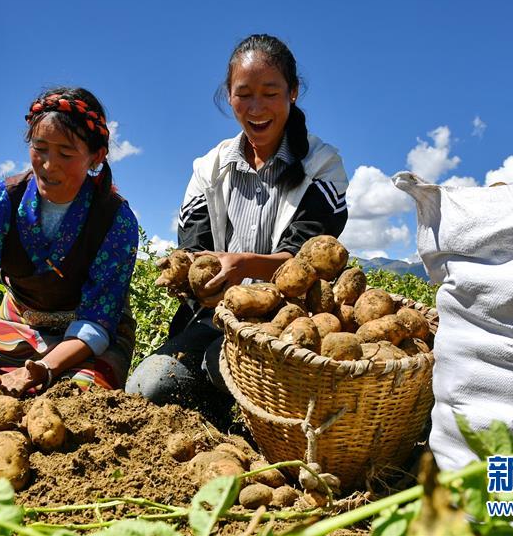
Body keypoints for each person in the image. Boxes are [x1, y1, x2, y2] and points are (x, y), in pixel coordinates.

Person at [125, 34, 349, 423]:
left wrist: (245, 265)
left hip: (291, 326)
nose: (257, 107)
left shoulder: (322, 166)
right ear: (229, 96)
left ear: (293, 93)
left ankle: (243, 417)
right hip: (214, 320)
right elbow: (193, 247)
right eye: (244, 94)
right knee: (149, 386)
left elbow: (309, 259)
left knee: (231, 373)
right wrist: (196, 277)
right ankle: (215, 416)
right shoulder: (210, 168)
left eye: (270, 92)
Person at [0, 87, 139, 396]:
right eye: (40, 147)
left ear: (96, 156)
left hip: (91, 338)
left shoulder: (115, 220)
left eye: (66, 154)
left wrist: (44, 369)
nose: (48, 164)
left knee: (80, 402)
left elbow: (98, 318)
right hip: (20, 326)